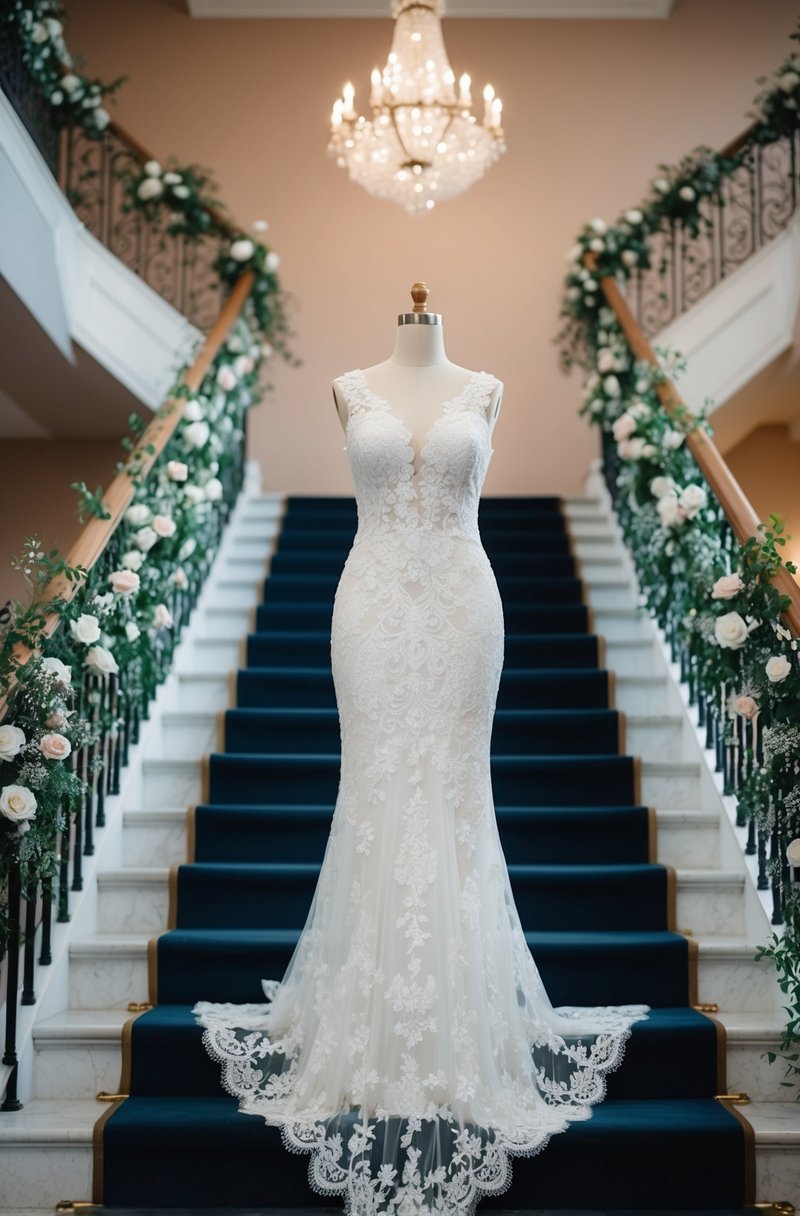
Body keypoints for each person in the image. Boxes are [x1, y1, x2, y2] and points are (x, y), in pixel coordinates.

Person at [194, 283, 647, 1214]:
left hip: (461, 608)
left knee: (452, 793)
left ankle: (454, 1029)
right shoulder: (347, 387)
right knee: (372, 787)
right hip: (367, 607)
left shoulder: (483, 388)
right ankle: (368, 1027)